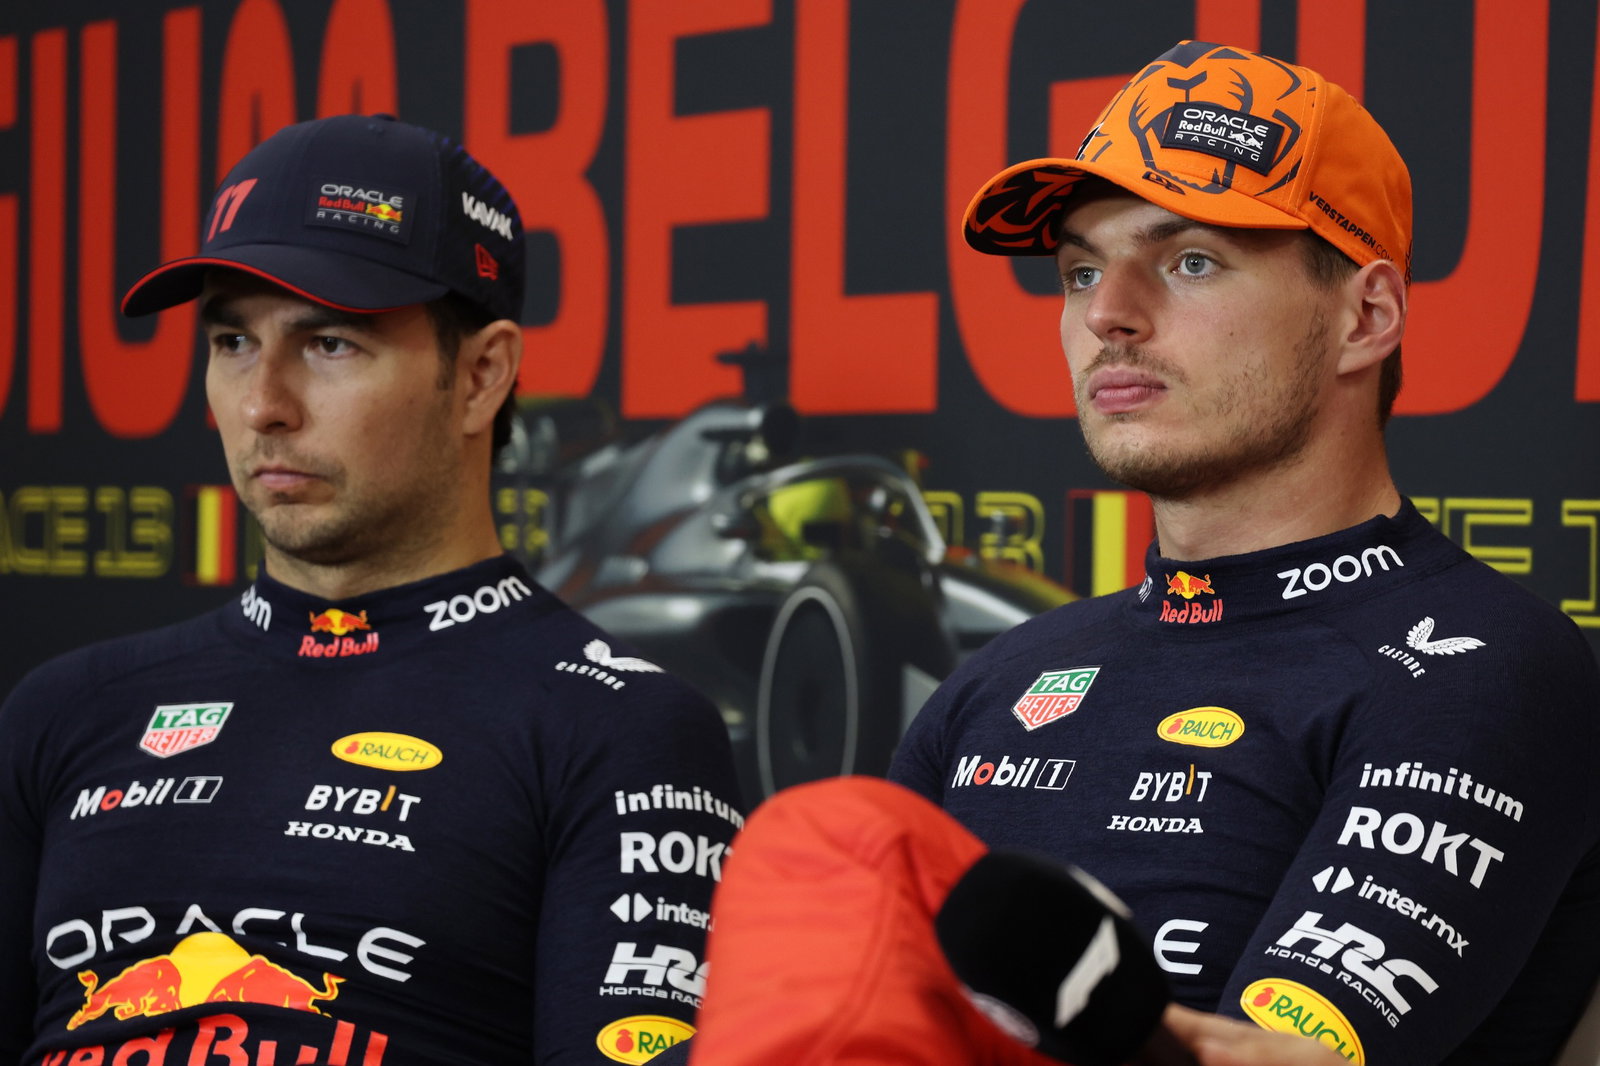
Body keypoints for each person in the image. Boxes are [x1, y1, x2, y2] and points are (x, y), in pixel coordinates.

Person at [689, 40, 1600, 1066]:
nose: (1106, 316)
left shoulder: (1485, 666)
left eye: (1189, 260)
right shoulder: (995, 685)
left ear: (1365, 315)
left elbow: (1269, 1056)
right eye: (1080, 271)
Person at [0, 114, 740, 1066]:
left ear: (480, 376)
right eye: (232, 341)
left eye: (330, 344)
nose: (264, 403)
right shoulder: (63, 712)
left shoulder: (617, 728)